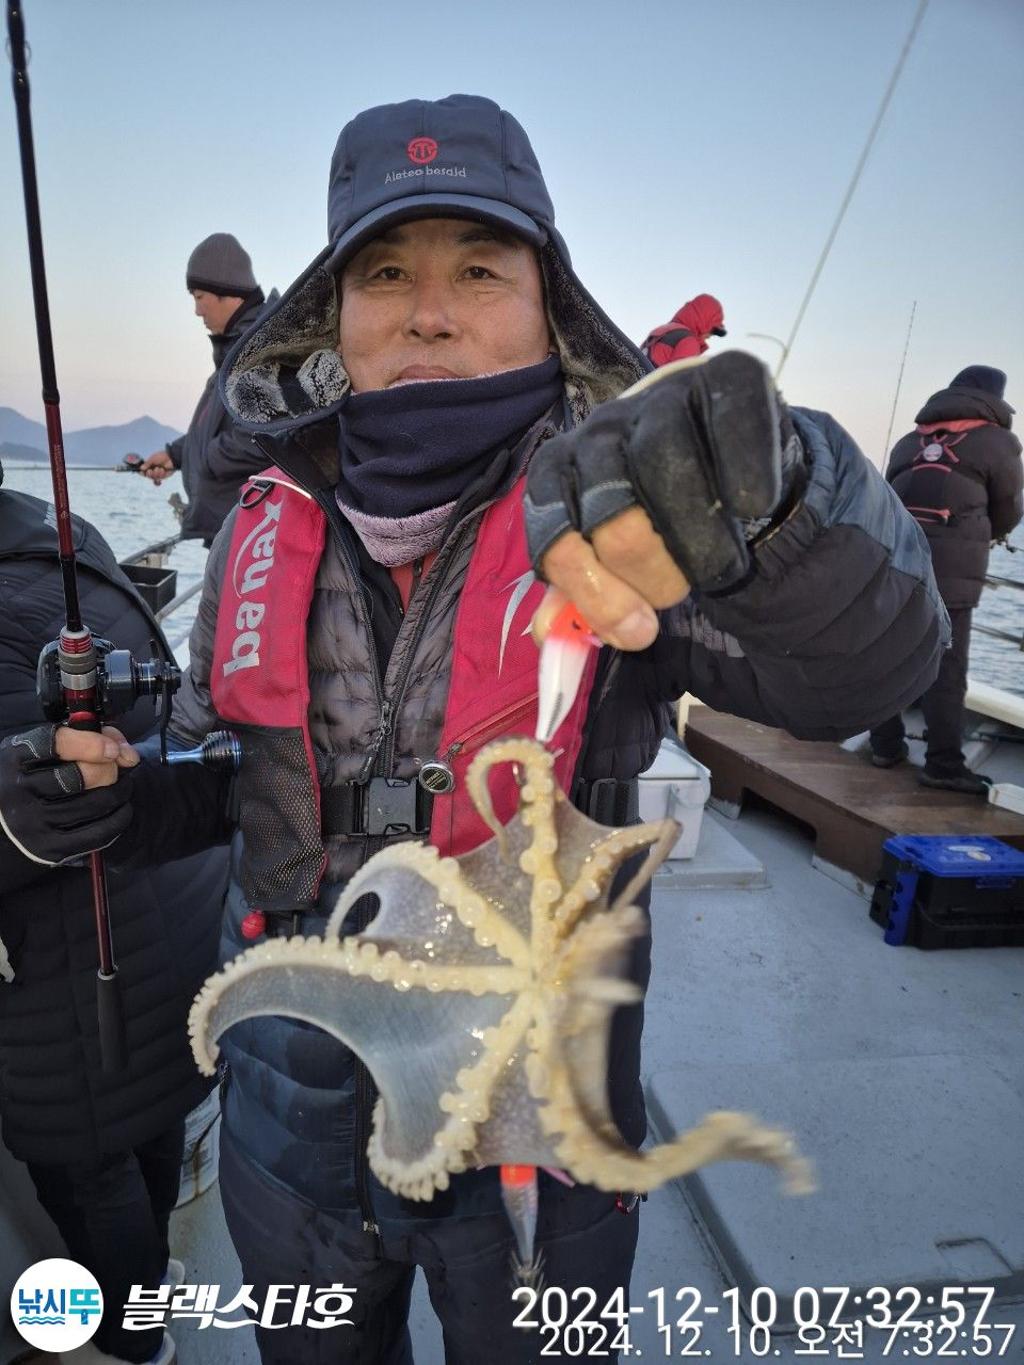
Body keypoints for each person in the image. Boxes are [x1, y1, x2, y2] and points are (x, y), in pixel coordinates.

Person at [0, 95, 946, 1364]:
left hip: (538, 1121)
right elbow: (223, 769)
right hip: (290, 1108)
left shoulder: (628, 519)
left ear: (548, 307)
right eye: (386, 273)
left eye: (481, 270)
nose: (430, 311)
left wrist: (779, 513)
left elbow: (866, 672)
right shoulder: (256, 525)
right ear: (335, 318)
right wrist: (109, 799)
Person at [0, 459, 230, 1365]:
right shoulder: (67, 539)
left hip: (61, 995)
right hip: (176, 929)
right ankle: (150, 1307)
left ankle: (133, 1344)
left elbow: (41, 811)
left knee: (90, 1180)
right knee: (152, 1133)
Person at [869, 365, 1023, 793]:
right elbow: (1009, 507)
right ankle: (943, 765)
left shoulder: (909, 441)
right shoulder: (998, 441)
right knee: (946, 668)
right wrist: (985, 534)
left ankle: (884, 745)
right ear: (994, 399)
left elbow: (886, 497)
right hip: (952, 573)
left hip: (896, 564)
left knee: (887, 656)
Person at [140, 233, 278, 545]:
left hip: (252, 534)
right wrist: (176, 455)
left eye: (199, 297)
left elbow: (262, 438)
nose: (197, 311)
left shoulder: (260, 350)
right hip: (238, 529)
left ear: (228, 294)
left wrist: (203, 459)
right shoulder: (237, 349)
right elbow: (221, 425)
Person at [641, 292, 726, 367]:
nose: (710, 336)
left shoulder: (664, 330)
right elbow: (679, 378)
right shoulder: (689, 342)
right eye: (712, 330)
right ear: (703, 320)